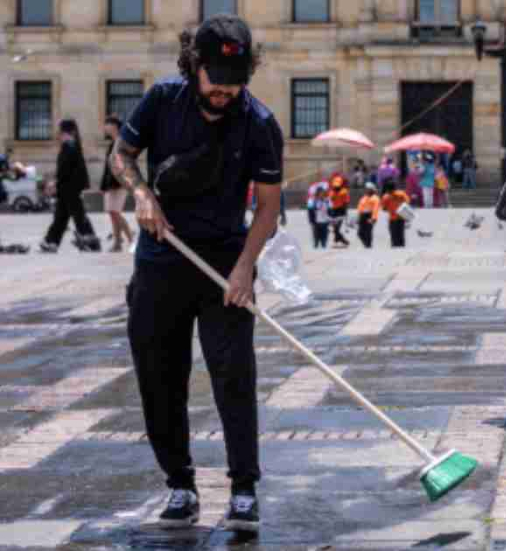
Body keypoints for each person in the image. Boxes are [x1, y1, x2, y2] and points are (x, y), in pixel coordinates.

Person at [108, 14, 283, 533]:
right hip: (162, 255)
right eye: (216, 82)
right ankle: (180, 484)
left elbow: (269, 207)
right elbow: (123, 156)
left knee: (234, 375)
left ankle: (244, 489)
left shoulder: (259, 123)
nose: (225, 92)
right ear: (194, 67)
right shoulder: (163, 101)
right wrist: (142, 195)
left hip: (225, 261)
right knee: (160, 375)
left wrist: (246, 267)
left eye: (236, 82)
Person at [40, 118, 101, 253]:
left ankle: (90, 241)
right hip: (67, 187)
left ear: (64, 132)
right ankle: (51, 241)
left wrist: (54, 183)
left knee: (77, 215)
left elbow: (65, 168)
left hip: (70, 188)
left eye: (60, 131)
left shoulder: (70, 145)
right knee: (61, 216)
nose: (57, 134)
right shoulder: (70, 145)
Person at [100, 115, 135, 252]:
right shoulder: (111, 144)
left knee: (115, 211)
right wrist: (103, 186)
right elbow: (107, 167)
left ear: (115, 126)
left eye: (107, 124)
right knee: (111, 212)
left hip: (120, 183)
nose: (105, 127)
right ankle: (117, 242)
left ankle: (130, 237)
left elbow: (127, 163)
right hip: (110, 183)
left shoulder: (122, 142)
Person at [381, 181, 410, 248]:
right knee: (401, 235)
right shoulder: (401, 194)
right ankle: (402, 249)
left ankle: (395, 250)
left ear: (387, 189)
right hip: (401, 218)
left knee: (394, 236)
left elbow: (384, 208)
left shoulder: (386, 197)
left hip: (392, 219)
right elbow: (407, 202)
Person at [328, 173, 351, 248]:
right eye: (335, 186)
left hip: (341, 210)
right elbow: (330, 201)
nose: (336, 187)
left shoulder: (344, 192)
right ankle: (340, 241)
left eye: (337, 186)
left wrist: (345, 212)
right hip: (334, 211)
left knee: (336, 228)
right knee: (335, 227)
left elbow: (346, 203)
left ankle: (342, 241)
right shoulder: (331, 192)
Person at [356, 182, 379, 248]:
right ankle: (366, 244)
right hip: (362, 216)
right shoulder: (363, 198)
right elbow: (360, 208)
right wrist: (358, 217)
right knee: (360, 233)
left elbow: (375, 209)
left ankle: (368, 245)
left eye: (368, 189)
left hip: (370, 215)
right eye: (366, 189)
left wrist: (374, 218)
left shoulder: (375, 198)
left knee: (368, 232)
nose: (366, 190)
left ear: (372, 189)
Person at [311, 184, 330, 249]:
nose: (321, 194)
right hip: (317, 221)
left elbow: (329, 211)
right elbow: (312, 211)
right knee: (316, 234)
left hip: (325, 221)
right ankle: (316, 243)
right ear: (317, 193)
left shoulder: (327, 201)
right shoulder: (315, 201)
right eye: (320, 193)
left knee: (324, 234)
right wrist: (312, 220)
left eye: (322, 192)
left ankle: (323, 243)